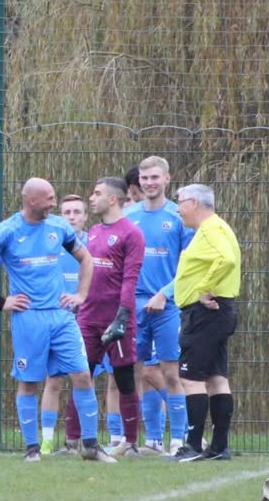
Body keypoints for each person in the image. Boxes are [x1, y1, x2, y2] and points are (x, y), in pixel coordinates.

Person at [0, 177, 115, 463]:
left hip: (61, 317)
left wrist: (81, 294)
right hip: (28, 319)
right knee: (29, 382)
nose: (53, 203)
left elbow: (86, 259)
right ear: (31, 200)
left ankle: (91, 446)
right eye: (49, 198)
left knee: (83, 375)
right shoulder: (7, 231)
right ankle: (32, 449)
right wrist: (0, 301)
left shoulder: (58, 227)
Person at [66, 178, 145, 458]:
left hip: (117, 319)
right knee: (80, 374)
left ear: (113, 199)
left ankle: (131, 442)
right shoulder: (95, 231)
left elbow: (130, 278)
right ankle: (72, 441)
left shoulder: (131, 233)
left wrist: (122, 315)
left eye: (97, 193)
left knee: (124, 378)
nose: (92, 198)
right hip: (88, 317)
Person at [125, 156, 194, 455]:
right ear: (138, 181)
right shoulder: (129, 216)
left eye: (155, 177)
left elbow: (190, 266)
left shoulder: (178, 217)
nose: (149, 183)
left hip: (167, 305)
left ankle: (179, 439)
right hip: (133, 306)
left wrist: (165, 294)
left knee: (170, 374)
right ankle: (147, 440)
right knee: (134, 373)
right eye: (144, 178)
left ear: (167, 179)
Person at [171, 184, 241, 462]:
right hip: (218, 311)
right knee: (215, 378)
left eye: (179, 202)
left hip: (205, 312)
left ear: (193, 203)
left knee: (190, 378)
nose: (177, 209)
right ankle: (219, 447)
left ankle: (193, 446)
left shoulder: (212, 230)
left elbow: (226, 259)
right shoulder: (216, 228)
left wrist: (203, 287)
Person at [39, 194, 87, 455]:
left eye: (77, 212)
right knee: (54, 380)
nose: (71, 217)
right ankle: (46, 441)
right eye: (66, 212)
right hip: (56, 319)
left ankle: (94, 440)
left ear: (85, 216)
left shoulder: (92, 244)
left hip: (88, 319)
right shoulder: (52, 243)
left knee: (86, 379)